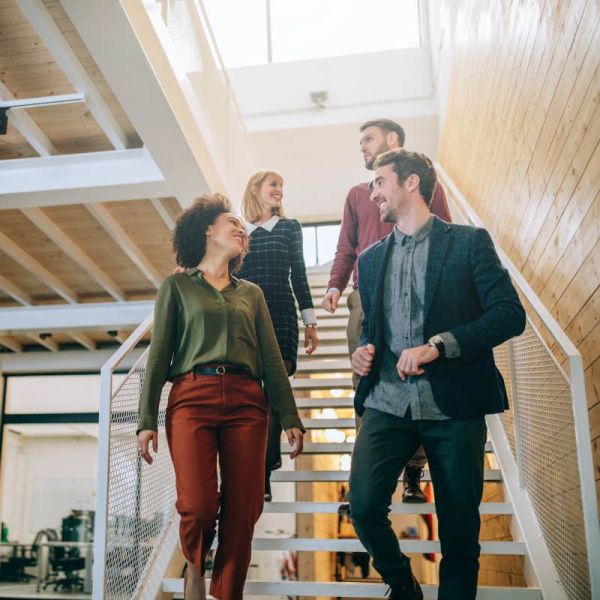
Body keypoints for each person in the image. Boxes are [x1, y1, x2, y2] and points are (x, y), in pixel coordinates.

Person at [349, 149, 525, 599]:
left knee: (460, 529)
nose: (373, 194)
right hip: (387, 401)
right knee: (365, 507)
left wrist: (439, 346)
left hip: (455, 404)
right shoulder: (368, 261)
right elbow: (373, 329)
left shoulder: (469, 242)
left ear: (410, 184)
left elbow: (509, 315)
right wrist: (362, 353)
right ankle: (403, 586)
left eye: (380, 183)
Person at [136, 194, 305, 600]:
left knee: (243, 509)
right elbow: (158, 357)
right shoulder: (176, 286)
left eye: (242, 227)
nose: (240, 229)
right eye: (232, 221)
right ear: (207, 230)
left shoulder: (252, 294)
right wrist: (145, 421)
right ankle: (195, 567)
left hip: (248, 403)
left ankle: (227, 593)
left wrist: (291, 415)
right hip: (192, 399)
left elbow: (271, 360)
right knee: (197, 506)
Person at [322, 119, 452, 502]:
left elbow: (444, 233)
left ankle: (413, 473)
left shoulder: (426, 187)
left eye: (368, 139)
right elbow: (346, 245)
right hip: (366, 298)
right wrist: (334, 284)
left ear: (392, 140)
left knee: (418, 379)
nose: (362, 146)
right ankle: (362, 476)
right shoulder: (356, 195)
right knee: (365, 383)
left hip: (419, 297)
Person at [237, 170, 319, 501]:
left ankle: (263, 472)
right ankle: (256, 468)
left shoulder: (289, 227)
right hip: (246, 319)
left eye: (282, 186)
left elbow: (299, 274)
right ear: (255, 189)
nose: (279, 191)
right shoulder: (239, 232)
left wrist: (310, 322)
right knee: (252, 398)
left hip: (282, 315)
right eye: (274, 185)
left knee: (272, 395)